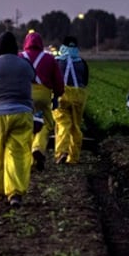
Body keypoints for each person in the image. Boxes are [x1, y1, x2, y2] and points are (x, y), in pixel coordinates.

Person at [0, 31, 36, 207]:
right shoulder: (24, 64)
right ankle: (15, 193)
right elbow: (32, 77)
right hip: (21, 112)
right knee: (17, 153)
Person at [20, 32, 64, 171]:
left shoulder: (20, 57)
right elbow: (58, 81)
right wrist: (56, 96)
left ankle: (27, 159)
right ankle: (38, 147)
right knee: (45, 123)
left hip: (24, 94)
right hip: (43, 95)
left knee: (26, 124)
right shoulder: (49, 58)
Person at [52, 36, 88, 164]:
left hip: (62, 95)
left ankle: (62, 151)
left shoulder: (57, 61)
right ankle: (73, 158)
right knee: (76, 127)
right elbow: (85, 81)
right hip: (79, 96)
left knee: (63, 123)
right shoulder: (82, 62)